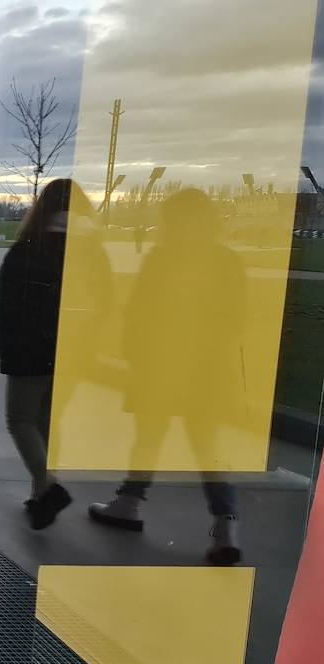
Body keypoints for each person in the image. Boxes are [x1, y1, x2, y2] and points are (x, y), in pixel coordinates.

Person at [88, 188, 245, 564]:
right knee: (208, 448)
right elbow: (233, 320)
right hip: (205, 370)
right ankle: (225, 526)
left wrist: (135, 352)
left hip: (161, 366)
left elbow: (140, 313)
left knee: (148, 439)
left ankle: (128, 503)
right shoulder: (225, 262)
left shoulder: (162, 259)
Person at [0, 179, 100, 529]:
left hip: (31, 349)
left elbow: (4, 303)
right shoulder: (92, 251)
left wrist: (6, 343)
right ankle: (40, 493)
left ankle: (48, 486)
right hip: (76, 349)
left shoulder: (28, 249)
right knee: (47, 420)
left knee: (21, 418)